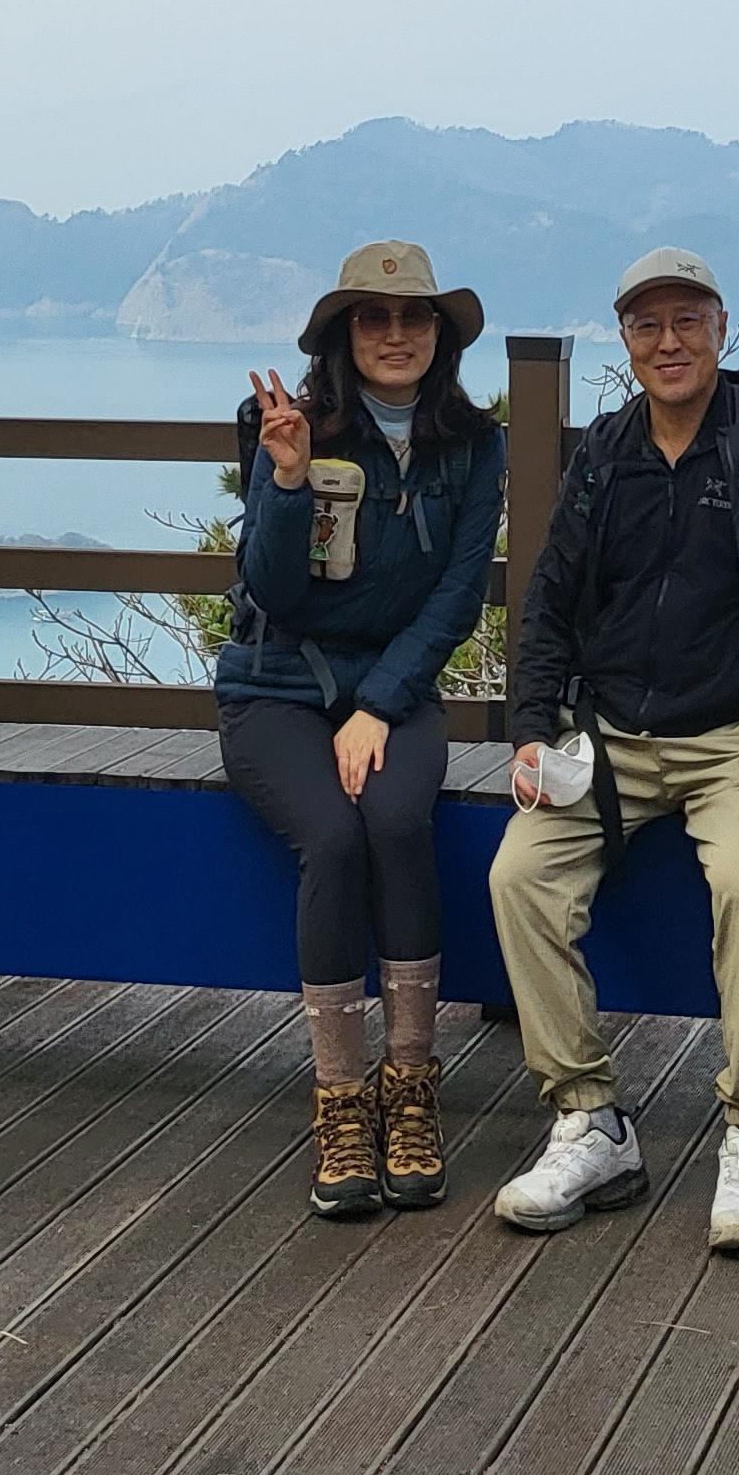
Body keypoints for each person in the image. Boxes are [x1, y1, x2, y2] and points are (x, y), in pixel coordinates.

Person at [489, 245, 739, 1255]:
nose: (668, 342)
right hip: (610, 740)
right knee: (519, 877)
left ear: (721, 329)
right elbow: (548, 601)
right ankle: (590, 1119)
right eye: (647, 325)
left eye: (686, 321)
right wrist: (534, 729)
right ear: (625, 341)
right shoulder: (604, 457)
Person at [216, 237, 507, 1220]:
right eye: (373, 318)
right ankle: (342, 1101)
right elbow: (271, 588)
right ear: (343, 335)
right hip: (274, 686)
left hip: (394, 688)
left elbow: (458, 594)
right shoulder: (289, 426)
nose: (395, 333)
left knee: (395, 821)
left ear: (439, 334)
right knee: (334, 839)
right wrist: (289, 479)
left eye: (413, 316)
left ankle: (411, 1088)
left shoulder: (474, 445)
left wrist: (379, 703)